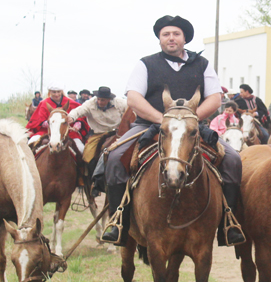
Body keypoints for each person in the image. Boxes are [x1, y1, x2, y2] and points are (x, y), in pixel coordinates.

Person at [100, 15, 244, 247]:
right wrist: (164, 119)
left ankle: (228, 222)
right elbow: (134, 98)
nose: (171, 38)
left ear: (184, 38)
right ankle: (119, 222)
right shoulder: (145, 64)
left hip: (192, 127)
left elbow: (216, 98)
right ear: (159, 38)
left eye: (176, 34)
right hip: (149, 124)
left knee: (234, 160)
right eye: (166, 34)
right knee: (115, 157)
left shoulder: (202, 64)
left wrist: (187, 121)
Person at [67, 86, 128, 166]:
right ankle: (89, 176)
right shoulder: (90, 103)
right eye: (98, 99)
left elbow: (131, 109)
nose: (99, 102)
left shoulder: (120, 103)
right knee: (87, 157)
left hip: (117, 133)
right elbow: (79, 110)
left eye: (102, 100)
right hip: (97, 134)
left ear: (109, 99)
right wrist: (71, 117)